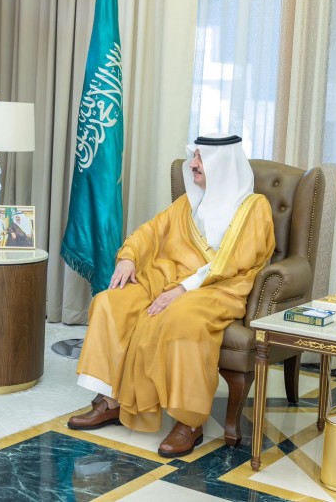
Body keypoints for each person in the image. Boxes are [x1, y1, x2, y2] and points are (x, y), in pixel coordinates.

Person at [67, 134, 274, 458]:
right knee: (109, 302)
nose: (193, 164)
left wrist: (184, 288)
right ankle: (110, 401)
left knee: (181, 320)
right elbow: (151, 231)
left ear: (221, 164)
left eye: (201, 159)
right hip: (164, 278)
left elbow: (235, 260)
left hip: (216, 287)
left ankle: (188, 422)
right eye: (194, 157)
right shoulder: (188, 201)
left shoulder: (254, 207)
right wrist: (129, 257)